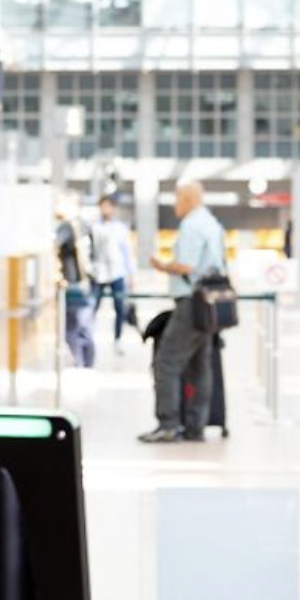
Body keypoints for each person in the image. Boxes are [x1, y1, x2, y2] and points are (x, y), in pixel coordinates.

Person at [138, 180, 225, 444]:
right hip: (210, 305)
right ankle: (195, 426)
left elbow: (186, 265)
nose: (175, 204)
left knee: (166, 362)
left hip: (191, 303)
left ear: (188, 199)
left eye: (177, 199)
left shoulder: (191, 225)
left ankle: (168, 424)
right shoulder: (212, 223)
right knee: (200, 366)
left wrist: (163, 266)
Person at [90, 195, 137, 352]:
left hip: (117, 273)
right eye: (103, 206)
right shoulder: (94, 227)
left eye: (108, 206)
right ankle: (89, 337)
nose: (105, 210)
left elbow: (127, 252)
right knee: (93, 306)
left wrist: (131, 274)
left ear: (113, 208)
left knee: (119, 307)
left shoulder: (120, 229)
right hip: (99, 273)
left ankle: (117, 339)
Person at [56, 200, 96, 368]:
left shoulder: (65, 227)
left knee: (70, 328)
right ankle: (88, 363)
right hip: (87, 283)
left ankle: (79, 363)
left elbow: (53, 244)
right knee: (84, 326)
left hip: (72, 283)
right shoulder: (85, 225)